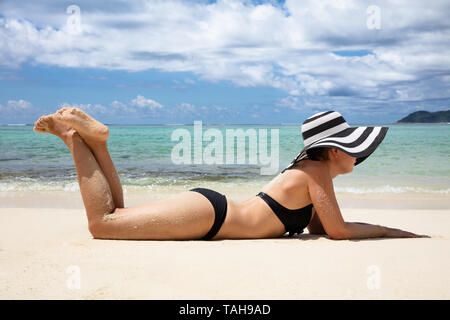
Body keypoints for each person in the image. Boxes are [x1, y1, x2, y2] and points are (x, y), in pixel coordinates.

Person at [33, 108, 427, 240]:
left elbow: (322, 229)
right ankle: (74, 138)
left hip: (212, 212)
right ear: (336, 151)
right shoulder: (316, 170)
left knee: (117, 214)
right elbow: (339, 232)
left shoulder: (309, 171)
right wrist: (389, 230)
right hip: (212, 216)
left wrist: (370, 227)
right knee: (102, 224)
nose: (357, 159)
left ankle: (98, 144)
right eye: (353, 151)